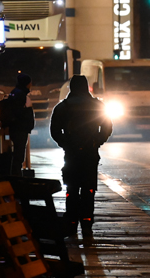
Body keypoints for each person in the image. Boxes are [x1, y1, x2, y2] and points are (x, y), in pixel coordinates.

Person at [50, 75, 113, 236]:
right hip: (90, 153)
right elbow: (107, 127)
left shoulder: (63, 107)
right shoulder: (97, 105)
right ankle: (86, 222)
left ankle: (71, 222)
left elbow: (55, 131)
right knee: (88, 188)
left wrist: (65, 144)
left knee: (71, 188)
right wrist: (97, 141)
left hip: (71, 154)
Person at [8, 73, 35, 176]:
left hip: (16, 127)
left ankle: (15, 173)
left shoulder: (15, 93)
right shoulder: (21, 95)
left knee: (17, 152)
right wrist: (27, 124)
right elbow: (22, 112)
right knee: (19, 153)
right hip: (20, 128)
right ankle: (16, 175)